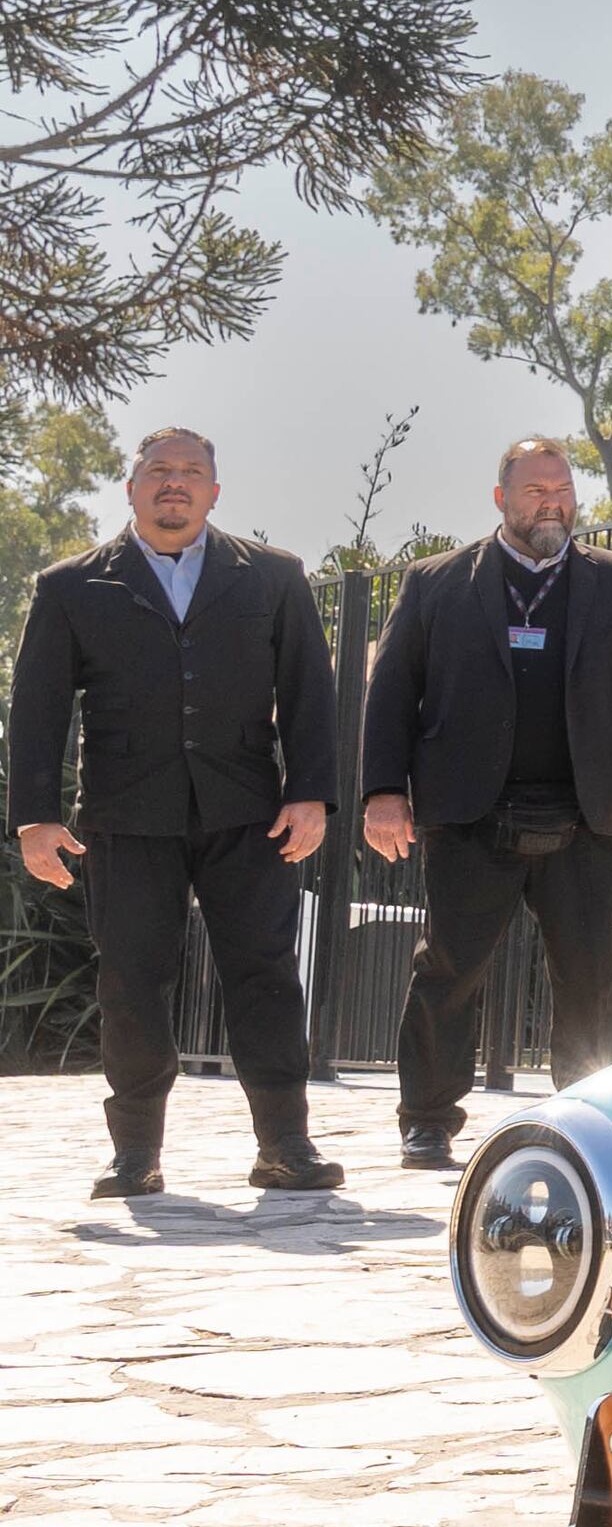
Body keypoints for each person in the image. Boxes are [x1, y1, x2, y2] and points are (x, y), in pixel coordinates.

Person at [8, 426, 342, 1199]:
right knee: (131, 980)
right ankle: (135, 1155)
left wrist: (311, 793)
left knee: (263, 973)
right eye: (159, 471)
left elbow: (308, 696)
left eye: (192, 472)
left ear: (215, 492)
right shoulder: (71, 586)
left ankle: (285, 1144)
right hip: (126, 815)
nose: (175, 483)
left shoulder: (273, 578)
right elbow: (39, 708)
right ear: (131, 487)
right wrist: (35, 816)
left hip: (249, 812)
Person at [360, 438, 612, 1168]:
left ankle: (590, 1118)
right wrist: (383, 791)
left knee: (591, 971)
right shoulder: (435, 583)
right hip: (470, 810)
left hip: (589, 811)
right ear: (501, 498)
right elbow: (390, 696)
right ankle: (426, 1119)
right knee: (449, 968)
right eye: (537, 490)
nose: (553, 502)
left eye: (563, 488)